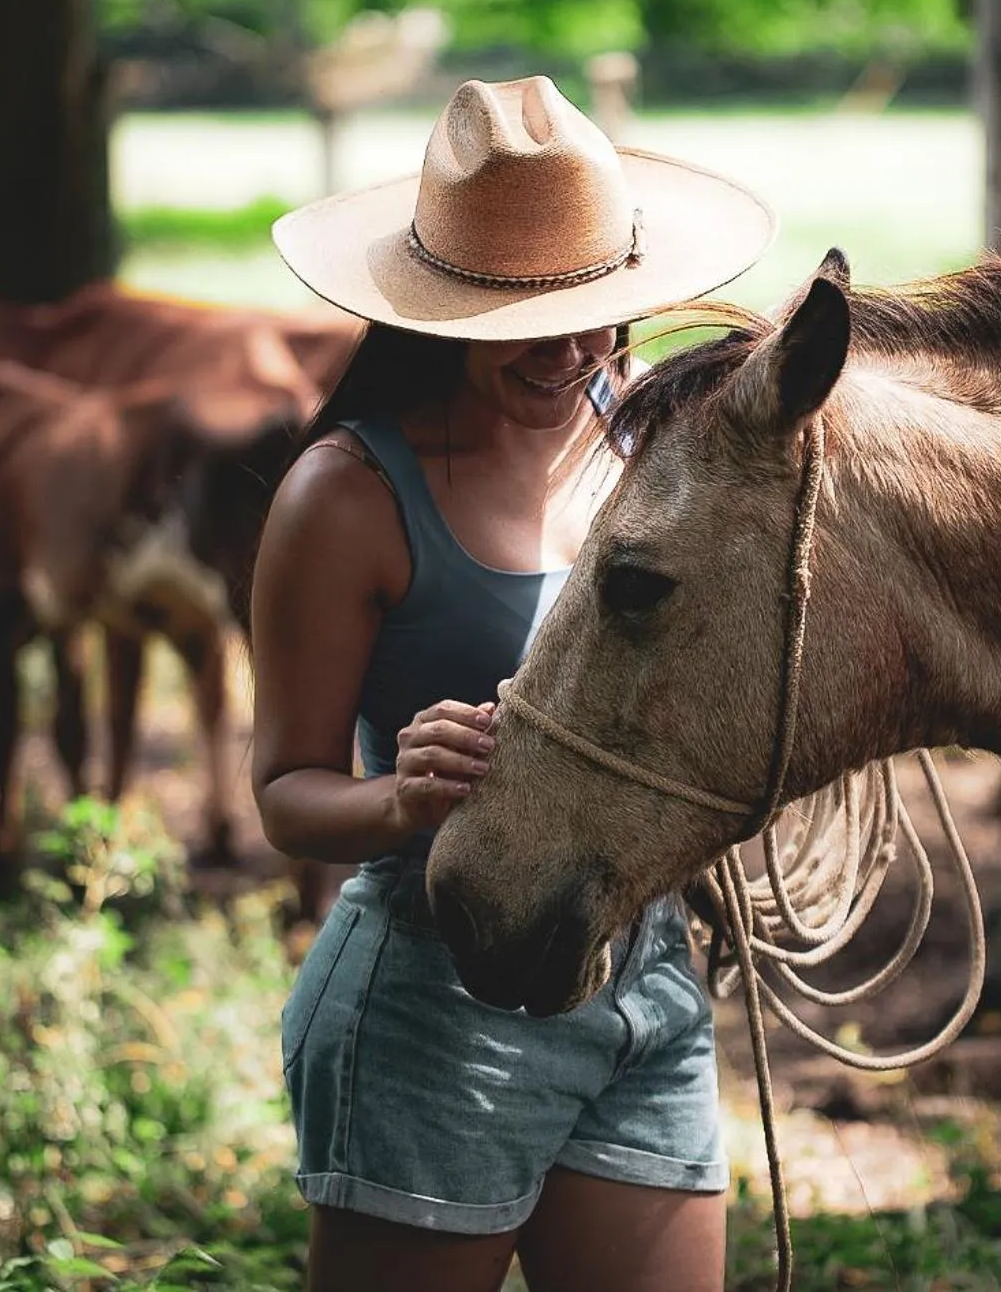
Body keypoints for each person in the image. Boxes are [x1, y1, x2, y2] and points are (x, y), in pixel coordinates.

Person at [250, 76, 774, 1292]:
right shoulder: (347, 496)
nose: (573, 352)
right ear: (443, 311)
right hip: (436, 999)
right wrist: (397, 798)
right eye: (524, 322)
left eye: (594, 311)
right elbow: (283, 792)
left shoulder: (651, 449)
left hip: (645, 977)